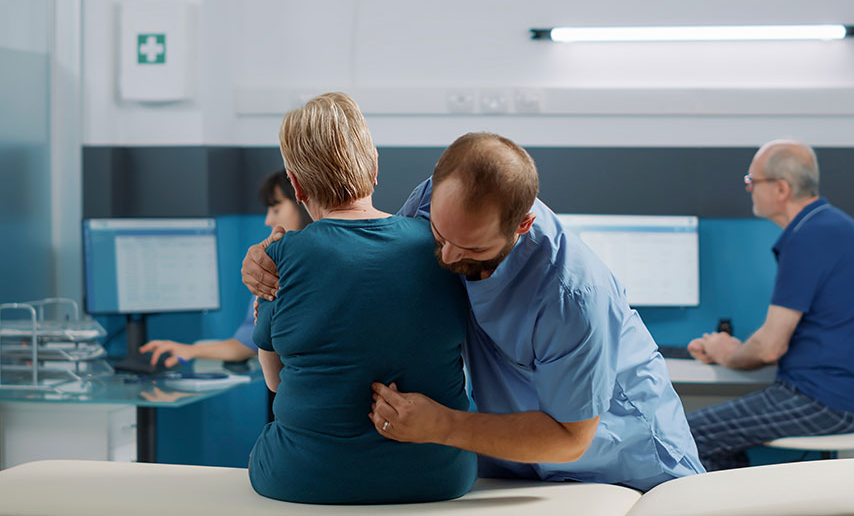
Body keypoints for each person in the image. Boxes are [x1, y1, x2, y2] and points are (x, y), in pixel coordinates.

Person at [243, 131, 704, 492]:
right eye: (440, 237)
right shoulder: (429, 203)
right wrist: (267, 264)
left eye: (473, 249)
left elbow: (570, 438)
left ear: (522, 226)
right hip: (505, 458)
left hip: (621, 463)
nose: (446, 258)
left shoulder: (572, 294)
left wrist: (443, 425)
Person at [248, 93, 476, 504]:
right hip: (440, 477)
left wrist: (263, 303)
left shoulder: (281, 256)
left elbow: (276, 382)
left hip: (300, 479)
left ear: (296, 186)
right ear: (373, 169)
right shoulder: (440, 247)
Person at [685, 139, 854, 471]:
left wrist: (725, 352)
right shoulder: (830, 227)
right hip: (844, 398)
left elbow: (769, 347)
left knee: (685, 435)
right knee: (717, 443)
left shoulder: (809, 236)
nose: (748, 189)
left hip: (823, 401)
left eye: (753, 180)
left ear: (781, 188)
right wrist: (734, 348)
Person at [139, 171, 311, 369]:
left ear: (301, 200)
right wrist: (190, 350)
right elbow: (249, 342)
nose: (268, 220)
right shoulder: (269, 268)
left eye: (275, 209)